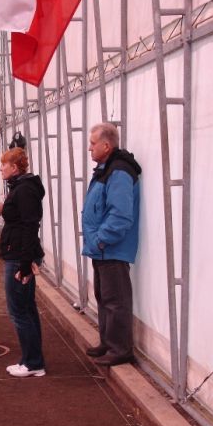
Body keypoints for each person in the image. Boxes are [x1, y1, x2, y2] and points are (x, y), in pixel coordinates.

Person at [82, 123, 142, 366]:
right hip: (103, 249)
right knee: (104, 297)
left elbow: (120, 214)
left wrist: (101, 239)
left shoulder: (118, 172)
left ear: (106, 146)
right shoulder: (106, 170)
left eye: (92, 143)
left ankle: (120, 349)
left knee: (115, 300)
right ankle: (108, 342)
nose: (89, 148)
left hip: (111, 248)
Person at [0, 147, 46, 378]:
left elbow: (29, 226)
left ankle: (32, 362)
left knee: (19, 310)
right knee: (26, 308)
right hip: (18, 254)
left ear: (14, 167)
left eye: (4, 165)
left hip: (18, 257)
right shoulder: (21, 187)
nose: (1, 169)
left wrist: (26, 263)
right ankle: (32, 360)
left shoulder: (24, 190)